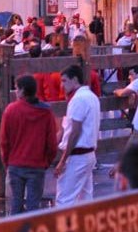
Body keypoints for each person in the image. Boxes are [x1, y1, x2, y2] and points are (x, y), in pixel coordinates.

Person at [0, 75, 57, 213]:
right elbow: (51, 143)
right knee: (33, 207)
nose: (15, 91)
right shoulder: (46, 112)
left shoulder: (11, 110)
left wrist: (7, 162)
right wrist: (45, 162)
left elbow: (4, 141)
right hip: (36, 165)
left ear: (22, 91)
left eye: (16, 88)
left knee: (15, 204)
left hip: (15, 164)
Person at [54, 65, 100, 206]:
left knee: (64, 199)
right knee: (85, 198)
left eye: (64, 81)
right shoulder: (91, 96)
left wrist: (63, 159)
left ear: (74, 80)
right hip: (88, 153)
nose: (62, 85)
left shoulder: (78, 99)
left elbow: (75, 132)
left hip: (77, 155)